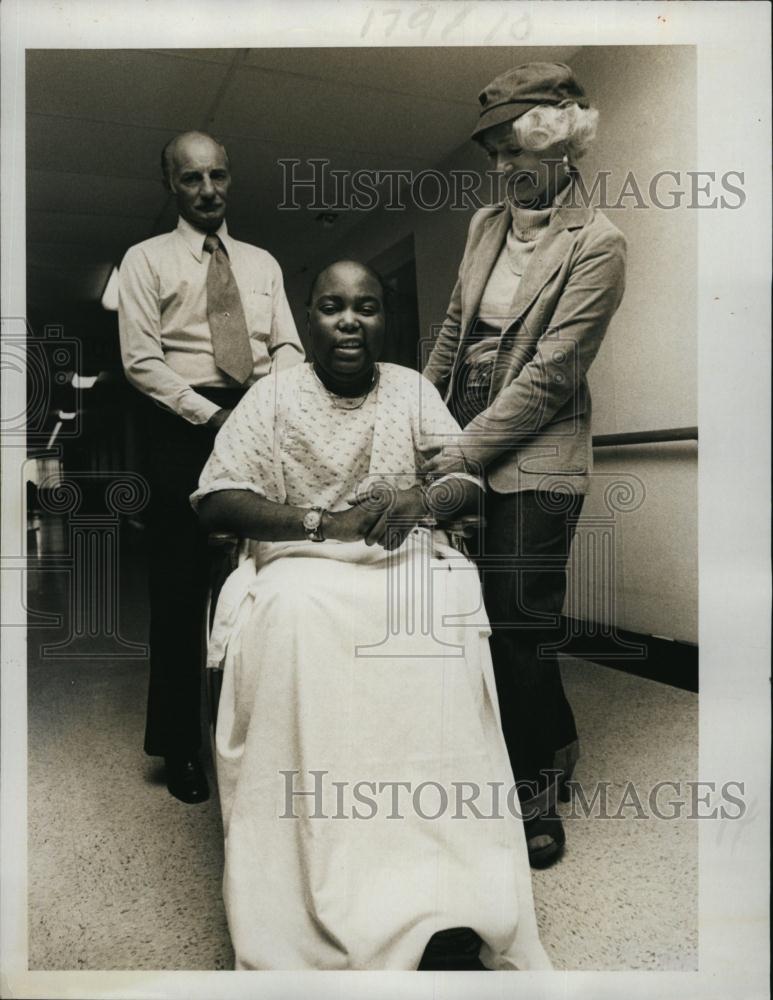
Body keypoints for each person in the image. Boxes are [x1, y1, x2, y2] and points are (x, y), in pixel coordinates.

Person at [191, 260, 551, 971]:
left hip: (398, 560)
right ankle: (314, 880)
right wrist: (321, 522)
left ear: (383, 320)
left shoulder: (412, 390)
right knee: (292, 615)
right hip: (302, 560)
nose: (350, 321)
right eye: (331, 307)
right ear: (309, 317)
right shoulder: (270, 397)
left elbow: (464, 484)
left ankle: (446, 888)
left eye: (366, 307)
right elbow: (214, 498)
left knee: (438, 611)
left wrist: (423, 503)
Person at [422, 63, 627, 867]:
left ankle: (536, 792)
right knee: (478, 610)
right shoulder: (483, 225)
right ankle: (554, 740)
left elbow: (548, 376)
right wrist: (418, 412)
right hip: (464, 415)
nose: (503, 171)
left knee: (518, 615)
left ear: (561, 142)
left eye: (516, 152)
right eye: (494, 156)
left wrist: (460, 450)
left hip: (537, 440)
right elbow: (451, 328)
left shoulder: (599, 243)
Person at [118, 131, 304, 803]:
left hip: (257, 418)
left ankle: (262, 732)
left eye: (217, 175)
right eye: (191, 178)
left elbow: (285, 341)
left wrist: (267, 406)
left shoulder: (261, 262)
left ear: (230, 178)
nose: (207, 190)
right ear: (171, 184)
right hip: (181, 423)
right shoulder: (144, 259)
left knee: (265, 574)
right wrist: (214, 418)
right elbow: (141, 361)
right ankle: (179, 748)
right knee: (180, 593)